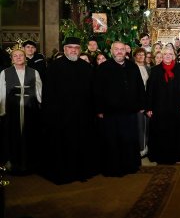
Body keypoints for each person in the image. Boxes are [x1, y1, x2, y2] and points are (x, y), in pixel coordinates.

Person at [42, 37, 97, 184]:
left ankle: (81, 171)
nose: (73, 50)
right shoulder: (54, 67)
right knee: (63, 145)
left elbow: (92, 92)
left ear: (80, 49)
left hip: (82, 116)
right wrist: (51, 114)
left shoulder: (86, 67)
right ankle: (65, 173)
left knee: (82, 144)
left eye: (76, 47)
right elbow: (48, 93)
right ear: (64, 49)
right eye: (70, 47)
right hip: (61, 116)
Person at [94, 42, 146, 176]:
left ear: (125, 51)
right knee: (113, 141)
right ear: (112, 51)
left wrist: (141, 105)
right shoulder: (103, 68)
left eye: (122, 49)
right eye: (116, 49)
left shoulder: (133, 67)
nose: (119, 52)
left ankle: (130, 166)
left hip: (129, 112)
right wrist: (99, 109)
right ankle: (113, 168)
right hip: (111, 113)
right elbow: (97, 91)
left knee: (128, 140)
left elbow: (140, 86)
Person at [0, 49, 42, 174]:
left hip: (30, 110)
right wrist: (2, 110)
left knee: (31, 135)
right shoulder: (5, 73)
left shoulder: (34, 72)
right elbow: (1, 92)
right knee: (12, 136)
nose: (18, 58)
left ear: (25, 58)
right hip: (12, 110)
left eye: (21, 55)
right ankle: (14, 164)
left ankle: (31, 164)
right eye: (15, 56)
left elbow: (39, 91)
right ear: (12, 59)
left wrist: (40, 104)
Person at [146, 48, 180, 164]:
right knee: (160, 132)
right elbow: (150, 90)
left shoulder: (179, 69)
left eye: (170, 54)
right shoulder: (155, 70)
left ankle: (174, 156)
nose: (168, 56)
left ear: (174, 56)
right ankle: (160, 156)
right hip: (159, 108)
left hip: (175, 107)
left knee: (174, 132)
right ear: (161, 56)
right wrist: (149, 107)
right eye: (165, 54)